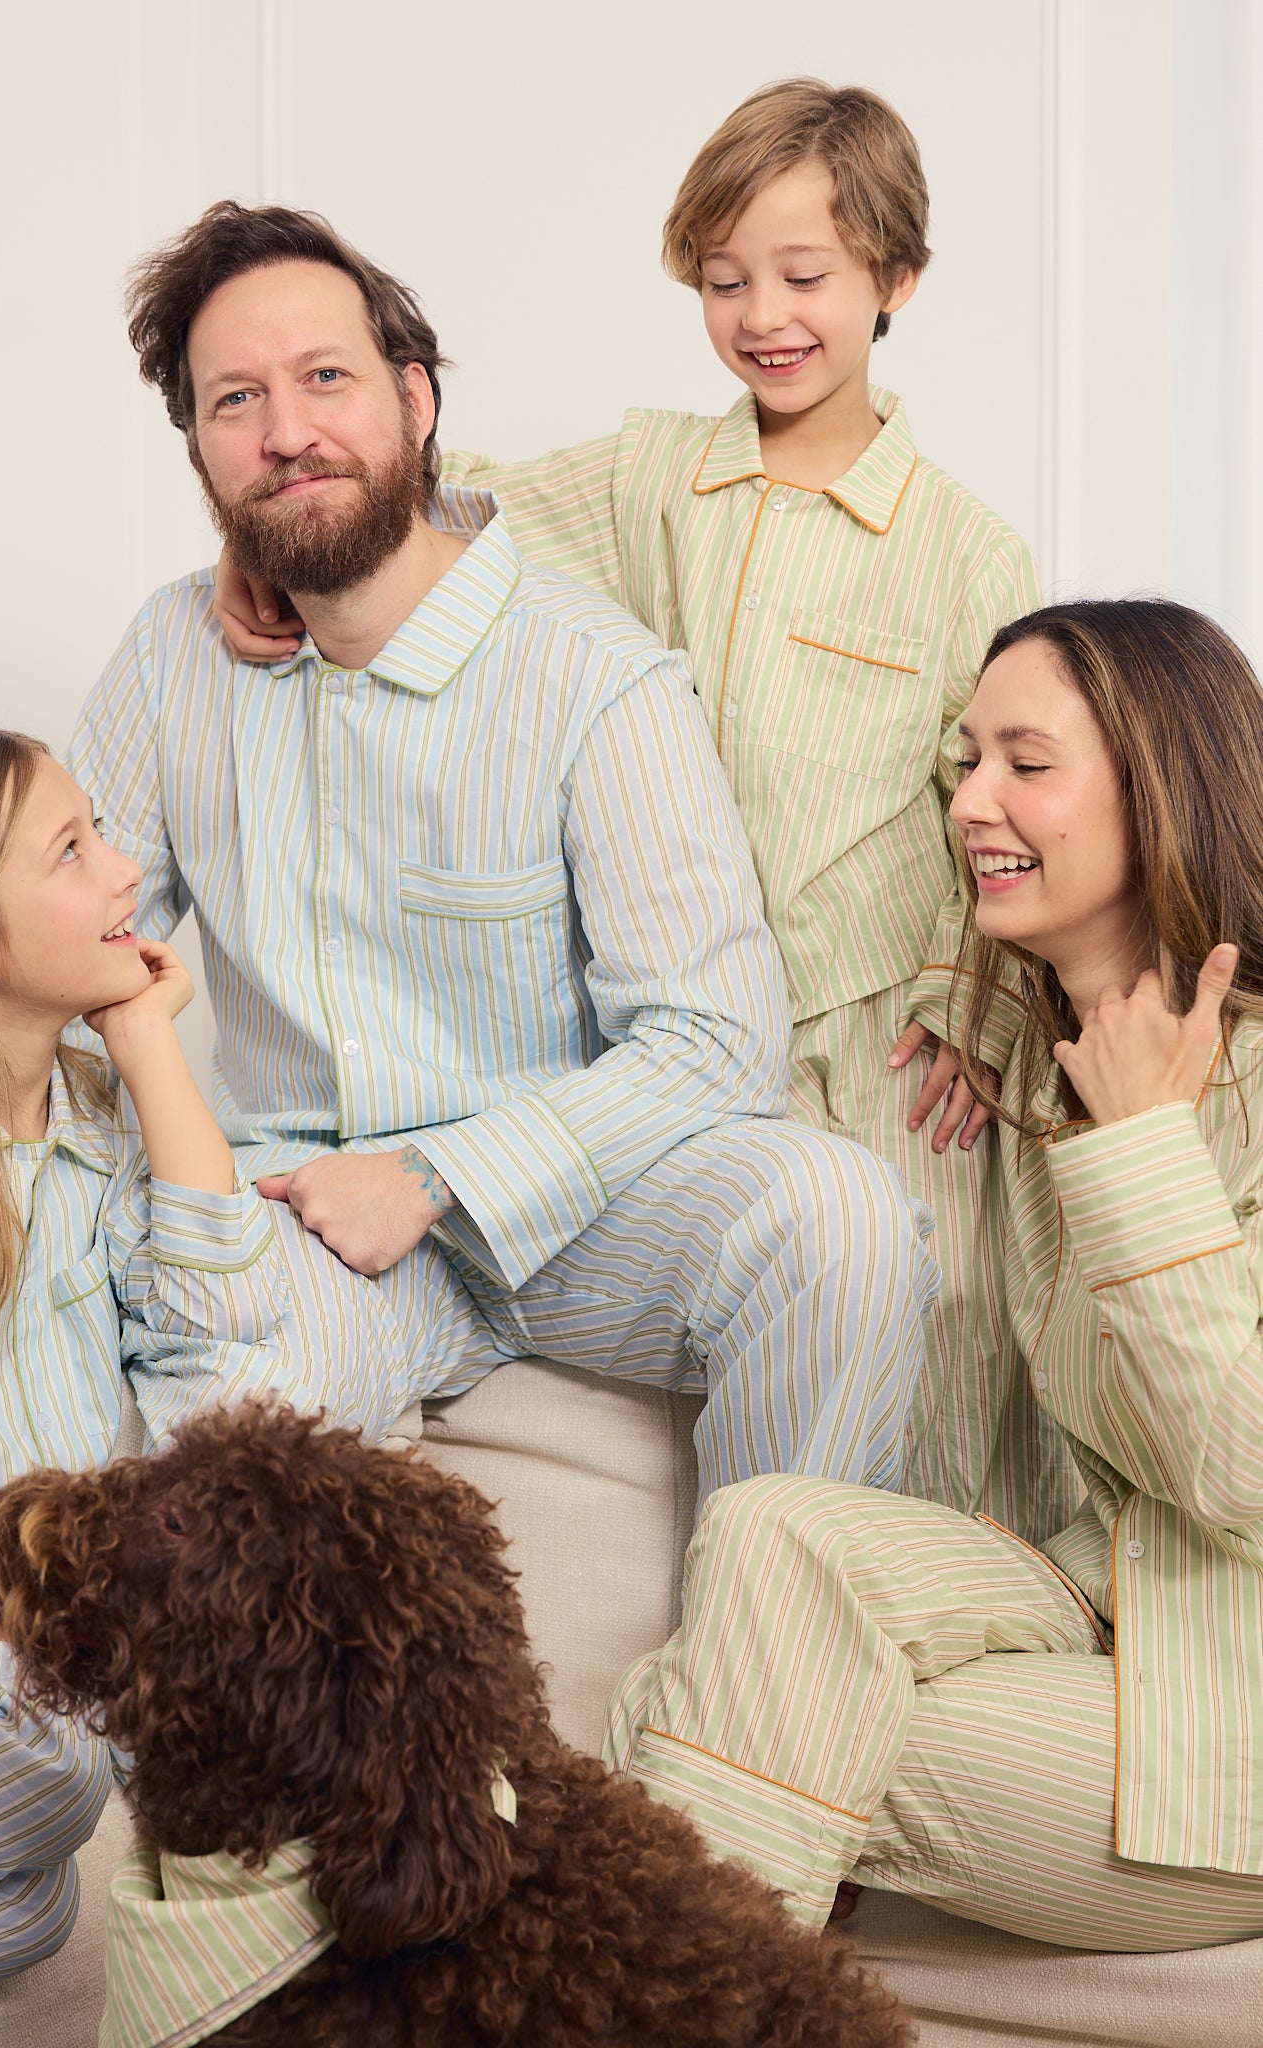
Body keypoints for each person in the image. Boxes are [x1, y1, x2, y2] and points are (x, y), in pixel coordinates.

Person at [213, 80, 1070, 1544]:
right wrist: (267, 548)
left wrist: (968, 994)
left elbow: (984, 799)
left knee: (923, 1353)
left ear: (896, 281)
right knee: (733, 1296)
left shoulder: (965, 547)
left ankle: (873, 1633)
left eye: (804, 278)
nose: (764, 316)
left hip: (871, 1037)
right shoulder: (651, 474)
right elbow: (431, 499)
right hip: (673, 1023)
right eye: (726, 281)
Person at [68, 201, 939, 1506]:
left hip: (578, 1202)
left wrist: (436, 1176)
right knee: (224, 1416)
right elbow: (62, 946)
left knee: (841, 1218)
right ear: (199, 450)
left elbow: (716, 1037)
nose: (287, 431)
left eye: (325, 377)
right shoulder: (173, 650)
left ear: (416, 400)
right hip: (293, 1200)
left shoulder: (594, 675)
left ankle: (775, 1627)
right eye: (235, 400)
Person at [603, 598, 1263, 1950]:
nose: (969, 802)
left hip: (1228, 1704)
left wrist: (1147, 1148)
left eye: (1027, 763)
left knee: (742, 1712)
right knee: (769, 1533)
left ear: (1159, 788)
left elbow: (1243, 1468)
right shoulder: (1036, 1058)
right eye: (967, 761)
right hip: (1097, 1597)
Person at [0, 726, 299, 1980]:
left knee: (20, 1918)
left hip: (9, 1661)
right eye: (72, 850)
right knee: (60, 1778)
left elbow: (223, 1331)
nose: (128, 870)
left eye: (104, 834)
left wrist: (144, 1040)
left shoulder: (103, 1127)